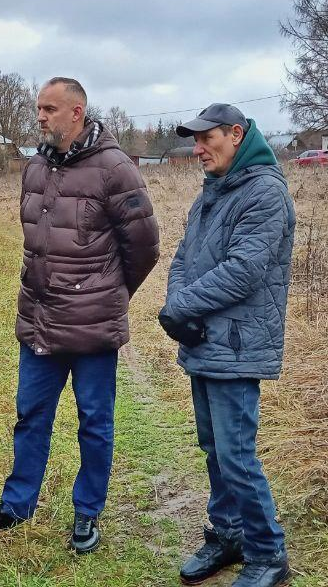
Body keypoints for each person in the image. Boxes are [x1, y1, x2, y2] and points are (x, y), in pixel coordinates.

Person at [0, 77, 160, 555]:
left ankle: (86, 513)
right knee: (30, 415)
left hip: (93, 326)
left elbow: (144, 247)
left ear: (77, 112)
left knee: (94, 421)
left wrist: (106, 294)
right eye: (39, 108)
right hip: (39, 318)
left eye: (50, 109)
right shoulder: (35, 166)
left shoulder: (116, 168)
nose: (41, 116)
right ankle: (17, 504)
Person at [159, 104, 294, 587]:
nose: (197, 150)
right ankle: (229, 533)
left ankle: (268, 552)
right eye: (194, 142)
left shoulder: (264, 192)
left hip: (237, 345)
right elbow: (183, 256)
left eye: (206, 139)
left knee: (236, 453)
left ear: (236, 134)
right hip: (204, 340)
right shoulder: (210, 194)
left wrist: (183, 308)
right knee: (214, 447)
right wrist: (179, 305)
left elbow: (244, 269)